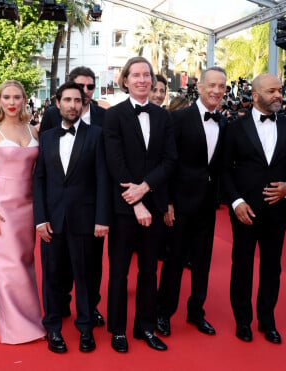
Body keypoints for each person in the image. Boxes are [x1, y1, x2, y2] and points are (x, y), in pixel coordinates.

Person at [222, 73, 286, 344]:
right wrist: (236, 202)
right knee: (242, 267)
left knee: (272, 268)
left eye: (280, 90)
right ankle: (243, 321)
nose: (278, 95)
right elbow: (224, 170)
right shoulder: (235, 127)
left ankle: (267, 321)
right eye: (272, 91)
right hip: (245, 211)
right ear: (256, 95)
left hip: (277, 212)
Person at [104, 57, 177, 353]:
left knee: (149, 271)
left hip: (155, 204)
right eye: (136, 75)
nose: (143, 80)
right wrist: (135, 202)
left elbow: (170, 160)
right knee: (119, 271)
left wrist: (146, 188)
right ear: (125, 80)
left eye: (147, 75)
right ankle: (118, 329)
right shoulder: (114, 115)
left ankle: (145, 327)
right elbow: (115, 162)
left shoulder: (163, 117)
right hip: (123, 209)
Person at [33, 81, 110, 353]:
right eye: (67, 100)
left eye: (77, 101)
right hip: (52, 220)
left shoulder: (97, 134)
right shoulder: (47, 137)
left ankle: (86, 328)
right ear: (58, 103)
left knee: (86, 278)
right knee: (52, 277)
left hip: (86, 220)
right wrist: (40, 219)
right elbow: (39, 180)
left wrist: (102, 218)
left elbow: (103, 179)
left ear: (83, 104)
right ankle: (53, 328)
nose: (72, 105)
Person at [156, 66, 227, 338]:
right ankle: (164, 312)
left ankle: (197, 311)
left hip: (207, 206)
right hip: (180, 204)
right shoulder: (180, 118)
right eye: (212, 85)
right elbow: (168, 163)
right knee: (174, 261)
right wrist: (168, 202)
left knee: (202, 262)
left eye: (221, 86)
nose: (217, 91)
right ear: (199, 86)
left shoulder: (222, 121)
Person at [0, 80, 45, 344]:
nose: (12, 102)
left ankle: (32, 319)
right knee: (8, 265)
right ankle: (15, 328)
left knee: (26, 261)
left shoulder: (33, 130)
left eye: (17, 97)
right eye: (7, 97)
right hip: (1, 203)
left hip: (29, 203)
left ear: (25, 99)